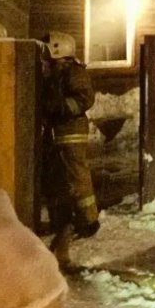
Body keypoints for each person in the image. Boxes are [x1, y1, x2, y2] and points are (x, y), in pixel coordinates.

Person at [40, 31, 99, 267]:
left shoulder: (74, 72)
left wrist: (60, 106)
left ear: (58, 49)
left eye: (48, 50)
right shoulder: (53, 73)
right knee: (56, 179)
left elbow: (85, 99)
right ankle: (60, 220)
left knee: (77, 176)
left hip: (71, 133)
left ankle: (88, 221)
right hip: (56, 134)